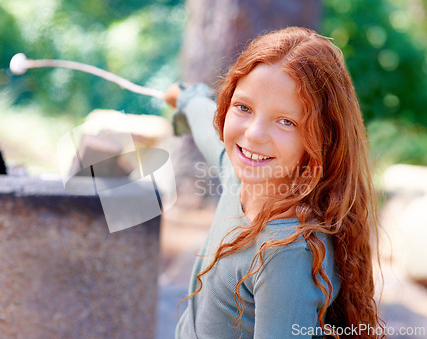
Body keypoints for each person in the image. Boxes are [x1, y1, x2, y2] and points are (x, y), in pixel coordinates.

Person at [164, 27, 385, 338]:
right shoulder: (241, 178)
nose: (254, 134)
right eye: (244, 108)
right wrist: (187, 97)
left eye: (286, 121)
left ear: (323, 139)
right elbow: (204, 120)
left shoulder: (285, 255)